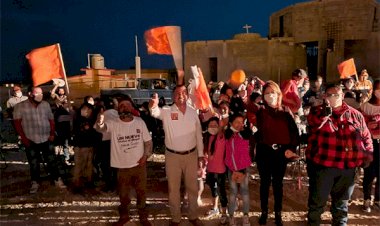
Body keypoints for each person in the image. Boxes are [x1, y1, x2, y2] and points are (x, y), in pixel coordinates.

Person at [306, 83, 373, 225]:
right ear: (325, 96)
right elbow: (313, 125)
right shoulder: (317, 112)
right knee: (317, 203)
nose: (333, 97)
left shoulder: (355, 115)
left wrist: (368, 154)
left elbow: (366, 136)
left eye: (336, 94)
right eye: (329, 95)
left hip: (347, 168)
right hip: (324, 167)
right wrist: (325, 115)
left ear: (342, 96)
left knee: (341, 205)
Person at [149, 84, 204, 226]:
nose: (181, 95)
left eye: (184, 92)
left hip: (191, 155)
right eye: (178, 93)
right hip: (172, 156)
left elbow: (199, 135)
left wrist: (201, 154)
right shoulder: (167, 111)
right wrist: (153, 106)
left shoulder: (193, 112)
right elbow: (155, 113)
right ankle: (175, 218)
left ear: (187, 95)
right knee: (173, 189)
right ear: (173, 96)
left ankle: (193, 216)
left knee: (192, 187)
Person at [95, 98, 153, 226]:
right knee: (123, 194)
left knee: (141, 192)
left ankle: (143, 217)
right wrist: (100, 121)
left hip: (139, 165)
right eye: (121, 105)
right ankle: (124, 216)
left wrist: (146, 156)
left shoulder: (139, 122)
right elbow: (102, 128)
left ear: (132, 108)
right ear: (118, 109)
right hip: (122, 167)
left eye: (127, 105)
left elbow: (148, 142)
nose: (124, 107)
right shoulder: (113, 123)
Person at [255, 81, 300, 226]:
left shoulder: (286, 111)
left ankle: (278, 213)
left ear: (278, 94)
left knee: (277, 184)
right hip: (264, 151)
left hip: (281, 153)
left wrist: (291, 149)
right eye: (266, 93)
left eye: (272, 92)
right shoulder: (261, 111)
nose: (270, 95)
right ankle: (264, 212)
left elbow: (294, 133)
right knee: (264, 183)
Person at [13, 86, 67, 194]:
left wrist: (52, 134)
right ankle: (35, 182)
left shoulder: (45, 105)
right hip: (30, 139)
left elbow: (51, 120)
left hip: (46, 138)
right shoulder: (20, 106)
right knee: (34, 163)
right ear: (30, 94)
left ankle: (56, 179)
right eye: (37, 93)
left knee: (51, 160)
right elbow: (17, 124)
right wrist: (24, 139)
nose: (40, 95)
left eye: (41, 93)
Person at [224, 113, 252, 226]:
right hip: (231, 168)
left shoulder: (245, 134)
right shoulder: (228, 134)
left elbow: (246, 151)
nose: (240, 125)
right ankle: (231, 216)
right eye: (237, 122)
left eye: (241, 122)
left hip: (244, 168)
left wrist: (243, 171)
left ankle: (245, 216)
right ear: (231, 123)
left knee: (245, 193)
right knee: (233, 193)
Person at [203, 117, 228, 225]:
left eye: (215, 125)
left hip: (220, 170)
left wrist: (220, 118)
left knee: (221, 191)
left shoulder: (221, 137)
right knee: (213, 190)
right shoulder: (207, 137)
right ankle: (215, 208)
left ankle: (224, 213)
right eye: (210, 125)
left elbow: (222, 127)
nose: (212, 127)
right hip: (210, 169)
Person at [360, 79, 380, 213]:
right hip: (370, 143)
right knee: (369, 172)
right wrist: (367, 126)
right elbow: (358, 125)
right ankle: (366, 199)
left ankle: (378, 200)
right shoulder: (365, 106)